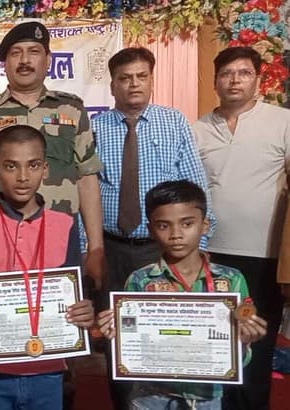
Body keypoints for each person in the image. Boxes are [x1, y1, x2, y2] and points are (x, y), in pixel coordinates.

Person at [92, 46, 215, 408]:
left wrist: (200, 244)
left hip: (164, 249)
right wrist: (90, 248)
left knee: (168, 333)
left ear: (151, 80)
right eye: (125, 78)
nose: (134, 84)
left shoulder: (173, 122)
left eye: (141, 76)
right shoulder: (95, 128)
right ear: (112, 85)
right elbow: (87, 194)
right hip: (112, 250)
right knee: (119, 337)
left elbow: (195, 185)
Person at [0, 21, 105, 289]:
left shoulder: (72, 109)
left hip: (59, 245)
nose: (24, 61)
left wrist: (96, 248)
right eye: (16, 53)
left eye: (33, 52)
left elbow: (87, 179)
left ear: (48, 60)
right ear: (5, 63)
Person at [97, 180, 267, 409]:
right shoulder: (140, 281)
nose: (176, 234)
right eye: (163, 226)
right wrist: (116, 334)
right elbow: (132, 344)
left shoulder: (230, 280)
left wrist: (244, 341)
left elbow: (241, 357)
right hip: (151, 396)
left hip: (206, 396)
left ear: (205, 225)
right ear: (151, 229)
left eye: (187, 223)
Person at [0, 125, 95, 409]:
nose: (23, 177)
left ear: (45, 169)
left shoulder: (65, 225)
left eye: (33, 165)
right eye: (11, 166)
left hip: (49, 370)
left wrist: (84, 311)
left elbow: (75, 296)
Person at [192, 46, 289, 410]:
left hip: (264, 258)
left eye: (244, 73)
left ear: (258, 80)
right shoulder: (198, 129)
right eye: (227, 74)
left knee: (256, 348)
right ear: (215, 81)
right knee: (215, 344)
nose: (235, 80)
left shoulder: (282, 122)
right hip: (209, 256)